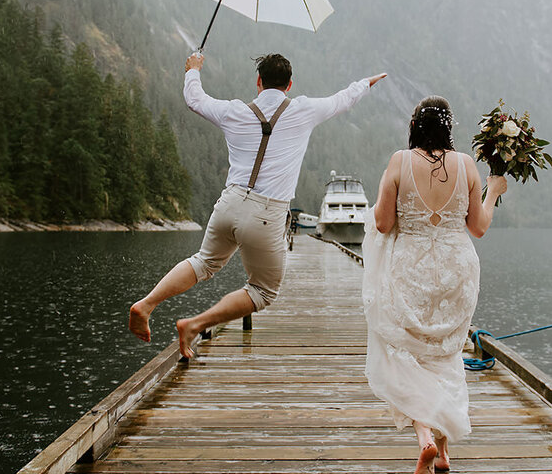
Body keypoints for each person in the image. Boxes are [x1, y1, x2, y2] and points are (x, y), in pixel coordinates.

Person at [130, 51, 386, 359]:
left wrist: (193, 70)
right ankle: (194, 324)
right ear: (290, 85)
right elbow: (342, 99)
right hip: (266, 213)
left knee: (203, 263)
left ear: (258, 82)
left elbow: (195, 99)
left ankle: (146, 304)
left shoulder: (234, 112)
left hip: (229, 203)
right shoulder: (304, 110)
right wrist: (366, 83)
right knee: (263, 291)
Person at [362, 96, 506, 474]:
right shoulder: (467, 166)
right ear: (448, 127)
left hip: (411, 268)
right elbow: (477, 227)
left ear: (414, 127)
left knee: (409, 355)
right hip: (457, 270)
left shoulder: (399, 161)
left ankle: (425, 439)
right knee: (445, 354)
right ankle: (443, 454)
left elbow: (383, 221)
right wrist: (493, 191)